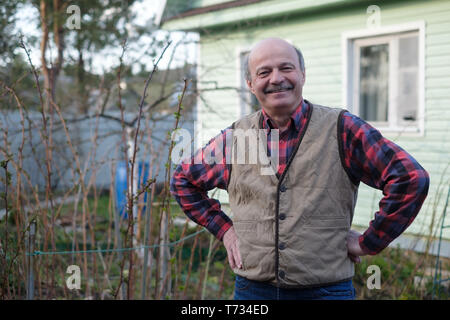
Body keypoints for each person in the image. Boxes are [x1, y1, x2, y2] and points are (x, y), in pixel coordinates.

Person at [170, 38, 430, 300]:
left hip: (327, 291)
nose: (276, 78)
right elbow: (183, 181)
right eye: (264, 72)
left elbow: (410, 179)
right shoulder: (236, 139)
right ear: (250, 84)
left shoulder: (342, 129)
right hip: (253, 292)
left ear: (302, 75)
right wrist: (225, 231)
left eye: (286, 68)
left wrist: (369, 242)